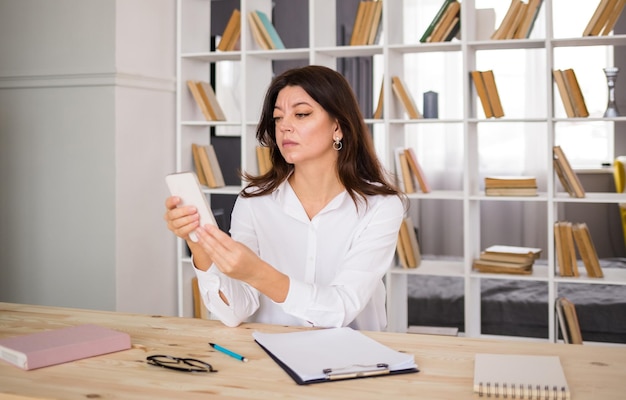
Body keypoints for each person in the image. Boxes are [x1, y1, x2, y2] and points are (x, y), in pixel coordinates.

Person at [164, 65, 404, 331]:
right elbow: (235, 311)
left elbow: (341, 308)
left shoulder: (381, 206)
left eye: (301, 114)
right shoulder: (254, 201)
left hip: (355, 359)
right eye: (278, 118)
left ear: (338, 127)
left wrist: (258, 272)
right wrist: (198, 242)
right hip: (269, 356)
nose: (285, 127)